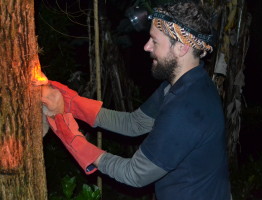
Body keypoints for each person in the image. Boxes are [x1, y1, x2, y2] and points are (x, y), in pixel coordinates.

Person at [41, 1, 231, 199]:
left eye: (154, 41)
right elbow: (135, 123)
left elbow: (134, 174)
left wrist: (72, 137)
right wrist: (72, 103)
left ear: (181, 48)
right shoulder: (182, 84)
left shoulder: (188, 107)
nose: (146, 46)